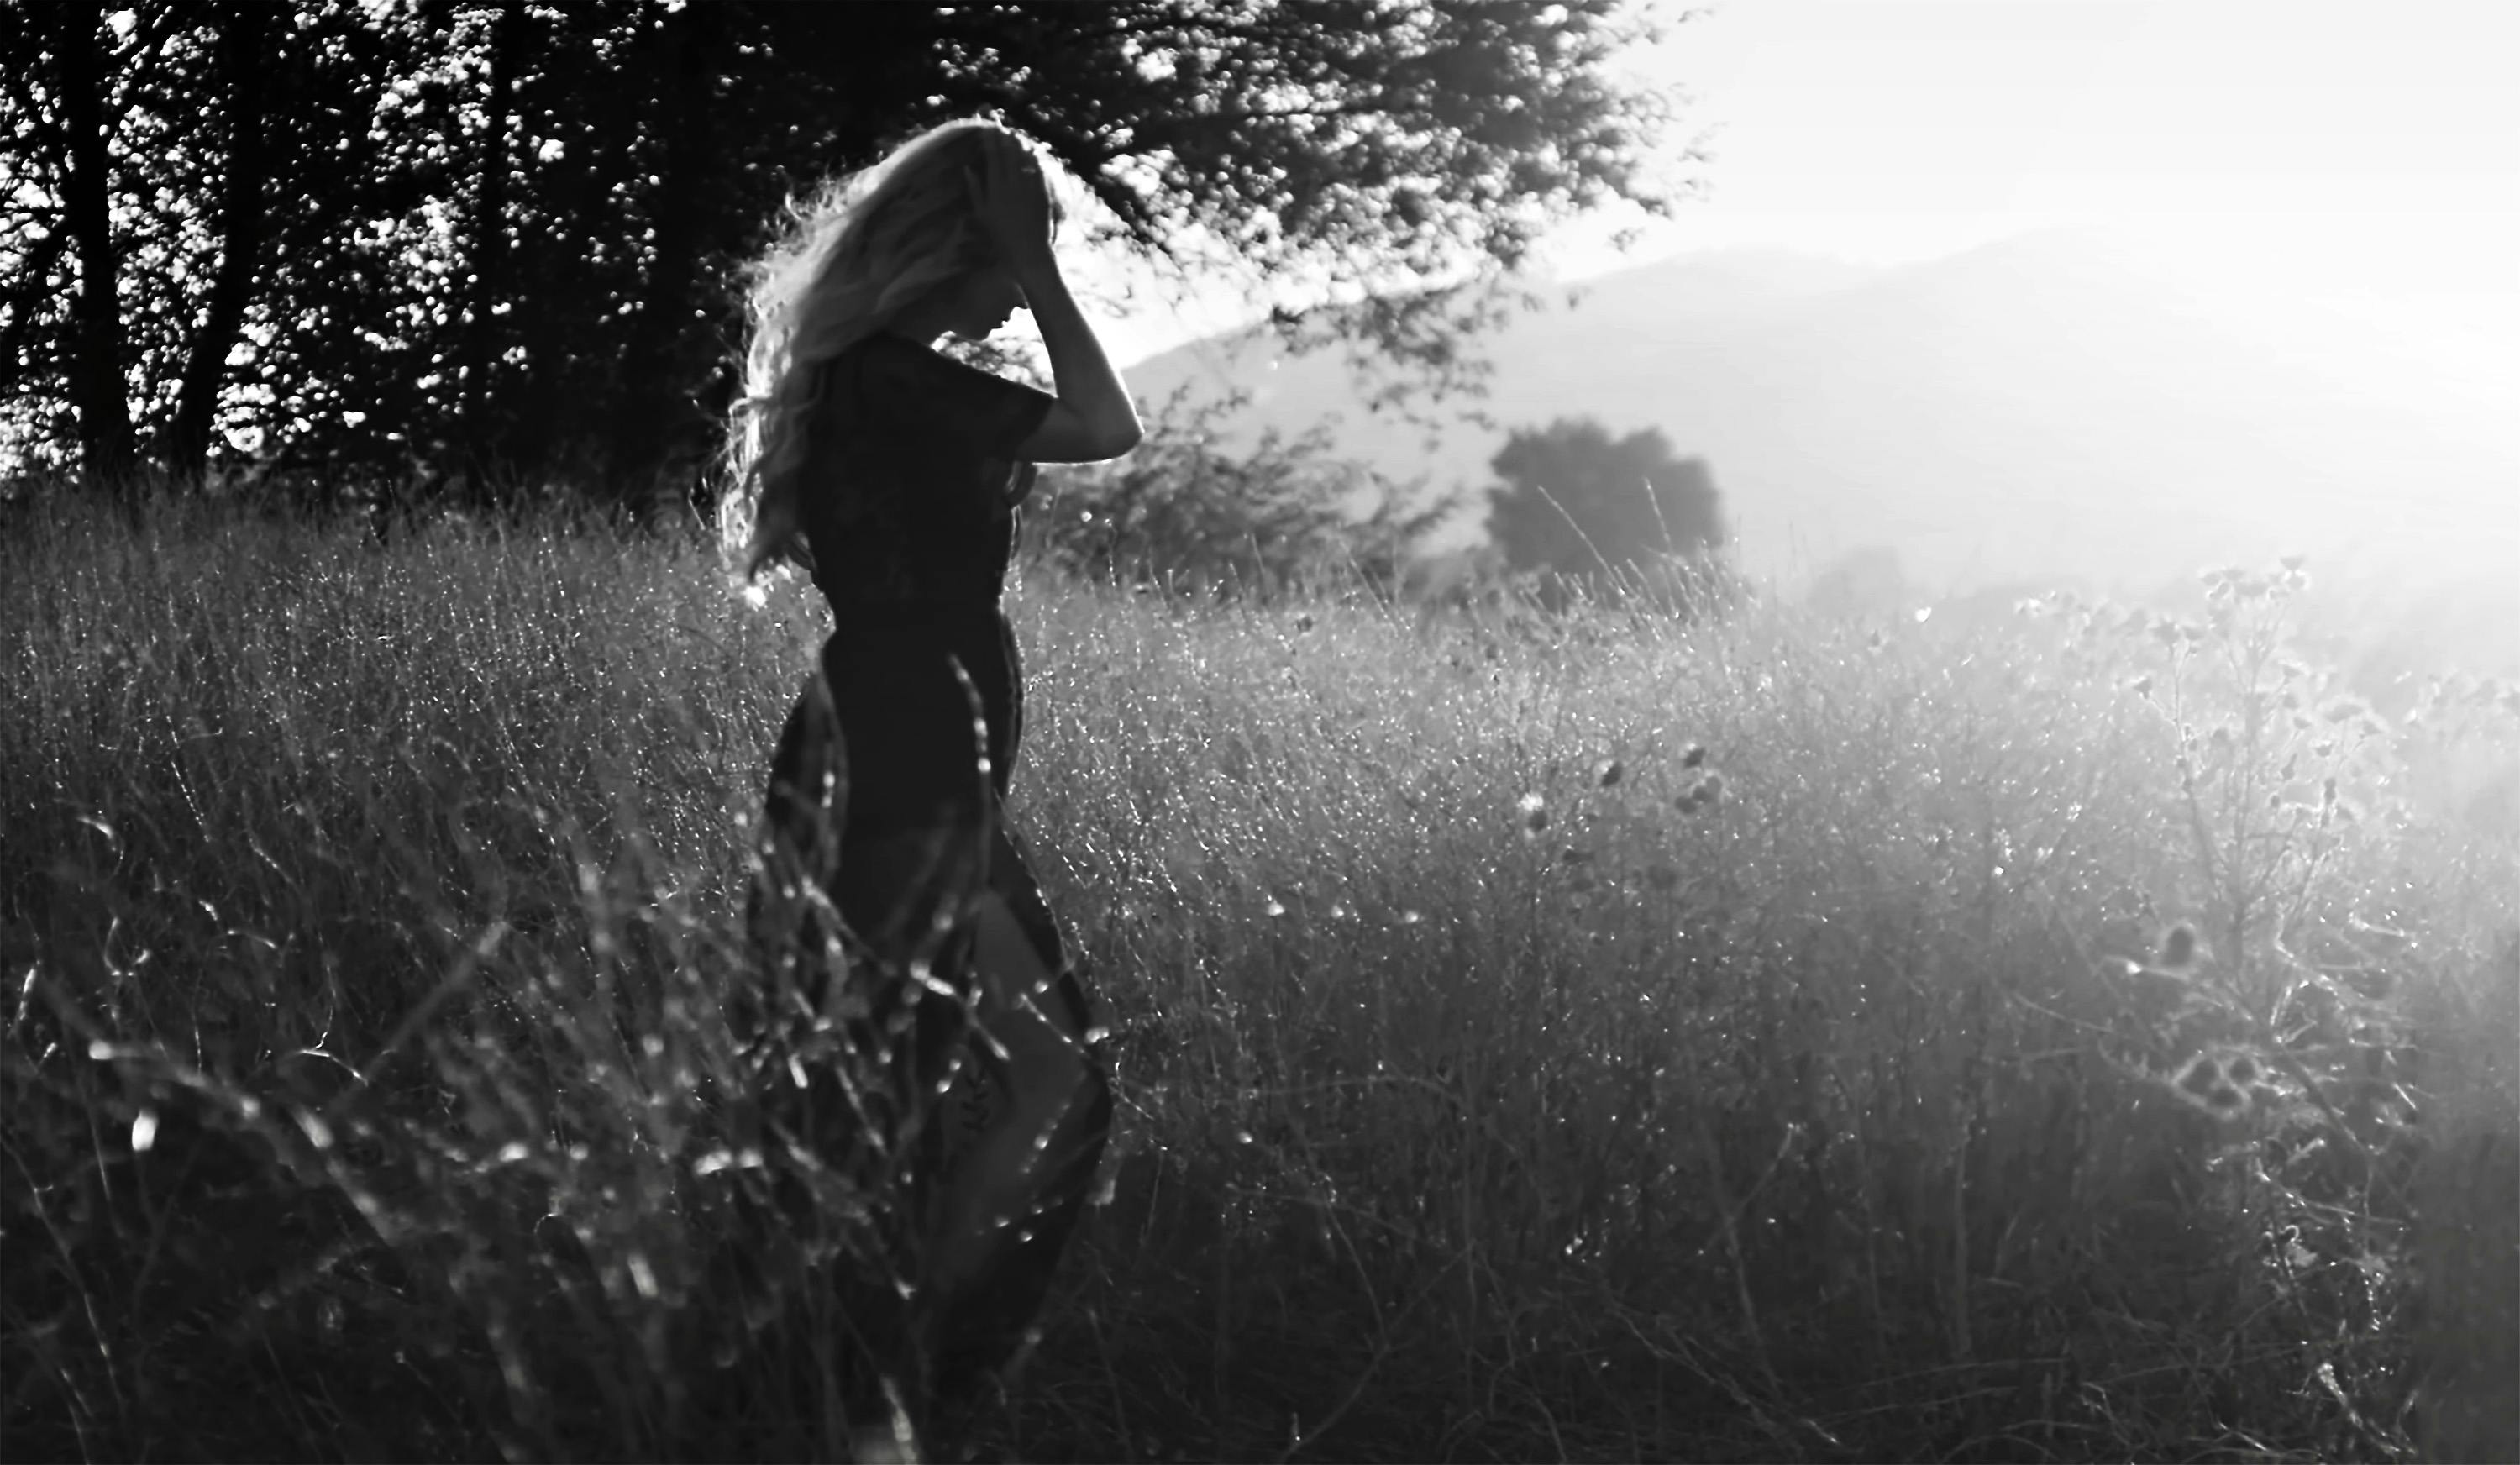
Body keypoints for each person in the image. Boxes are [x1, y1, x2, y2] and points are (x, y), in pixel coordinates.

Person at [722, 118, 1140, 1440]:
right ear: (958, 249)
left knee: (882, 1086)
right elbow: (1103, 424)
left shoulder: (875, 377)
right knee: (1051, 1083)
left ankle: (854, 1381)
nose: (1021, 290)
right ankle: (905, 1384)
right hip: (907, 748)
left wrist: (1029, 253)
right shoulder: (892, 380)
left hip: (893, 736)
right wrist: (1042, 261)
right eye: (1015, 260)